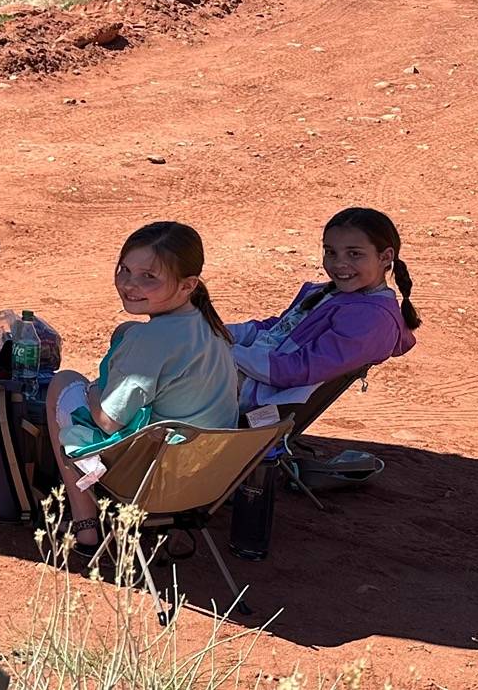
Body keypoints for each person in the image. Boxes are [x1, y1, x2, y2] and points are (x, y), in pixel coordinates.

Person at [43, 221, 238, 549]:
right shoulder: (209, 326)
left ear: (187, 285)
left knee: (63, 383)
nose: (130, 285)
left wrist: (92, 389)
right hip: (205, 476)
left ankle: (86, 526)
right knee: (122, 339)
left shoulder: (152, 339)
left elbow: (108, 420)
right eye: (125, 270)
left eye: (149, 277)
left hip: (154, 479)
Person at [228, 207, 421, 411]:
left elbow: (296, 370)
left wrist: (226, 351)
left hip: (252, 395)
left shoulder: (372, 320)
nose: (339, 263)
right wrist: (220, 333)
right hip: (244, 375)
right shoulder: (330, 294)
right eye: (331, 252)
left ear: (385, 257)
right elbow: (279, 330)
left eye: (354, 254)